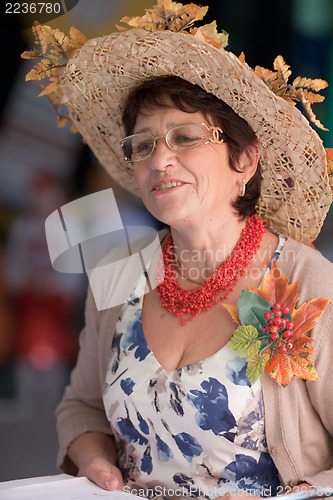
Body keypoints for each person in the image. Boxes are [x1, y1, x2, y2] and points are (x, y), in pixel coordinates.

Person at [24, 1, 333, 498]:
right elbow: (79, 407)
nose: (159, 158)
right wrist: (96, 460)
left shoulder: (308, 284)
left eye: (184, 137)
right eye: (142, 146)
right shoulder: (117, 273)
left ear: (245, 159)